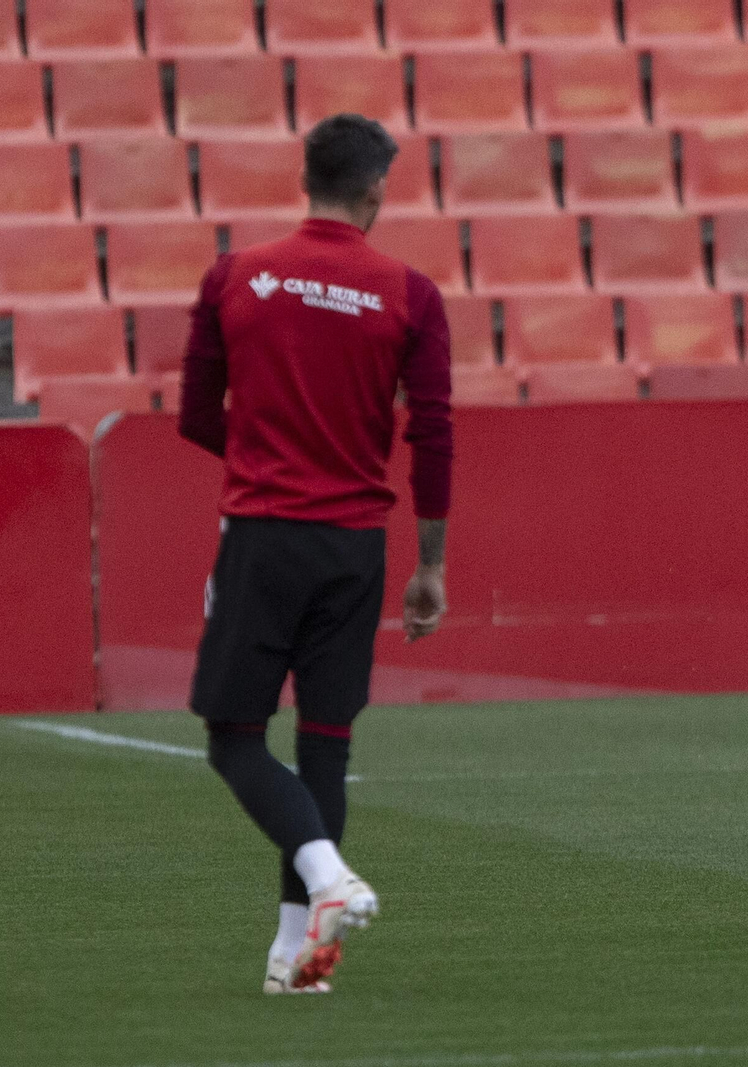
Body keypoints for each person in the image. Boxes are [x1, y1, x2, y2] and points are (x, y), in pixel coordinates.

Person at [179, 114, 453, 990]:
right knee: (325, 743)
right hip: (355, 547)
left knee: (233, 738)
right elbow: (435, 436)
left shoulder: (236, 276)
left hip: (264, 535)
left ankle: (327, 878)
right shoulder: (410, 294)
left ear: (307, 182)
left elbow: (194, 414)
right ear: (375, 189)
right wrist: (432, 565)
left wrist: (270, 455)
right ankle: (298, 956)